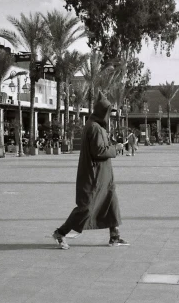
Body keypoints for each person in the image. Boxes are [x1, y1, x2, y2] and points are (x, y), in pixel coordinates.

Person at [52, 92, 126, 250]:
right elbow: (99, 151)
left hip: (103, 175)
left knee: (111, 202)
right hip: (95, 176)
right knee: (86, 207)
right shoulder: (94, 128)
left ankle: (115, 236)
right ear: (102, 112)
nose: (110, 117)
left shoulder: (96, 126)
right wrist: (116, 148)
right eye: (108, 113)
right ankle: (60, 233)